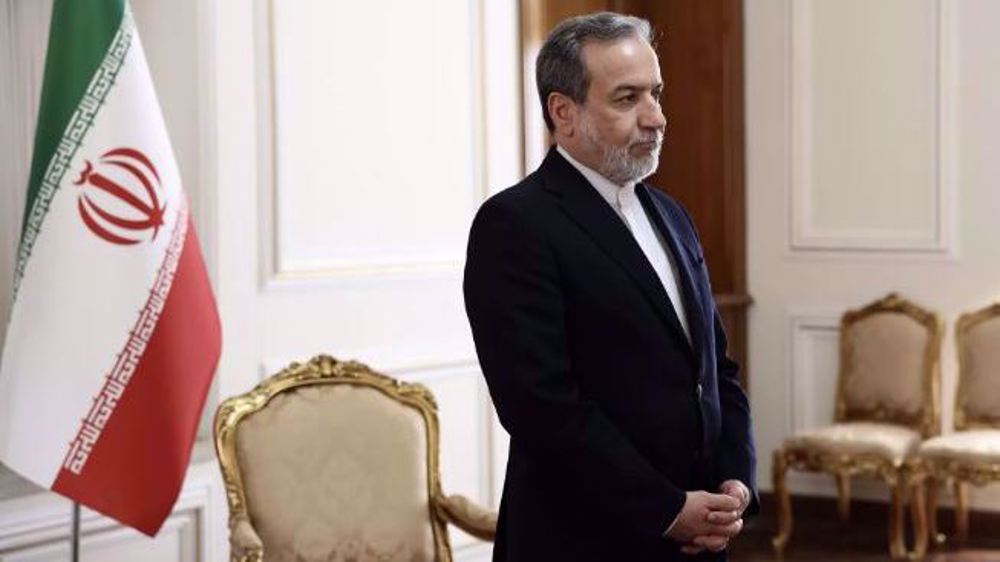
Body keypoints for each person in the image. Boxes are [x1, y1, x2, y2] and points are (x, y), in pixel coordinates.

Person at [463, 12, 758, 562]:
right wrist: (667, 509)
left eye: (657, 94)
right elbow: (542, 409)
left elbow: (718, 370)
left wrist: (735, 481)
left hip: (699, 537)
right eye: (628, 99)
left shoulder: (671, 214)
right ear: (563, 112)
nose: (658, 118)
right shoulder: (513, 224)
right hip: (580, 539)